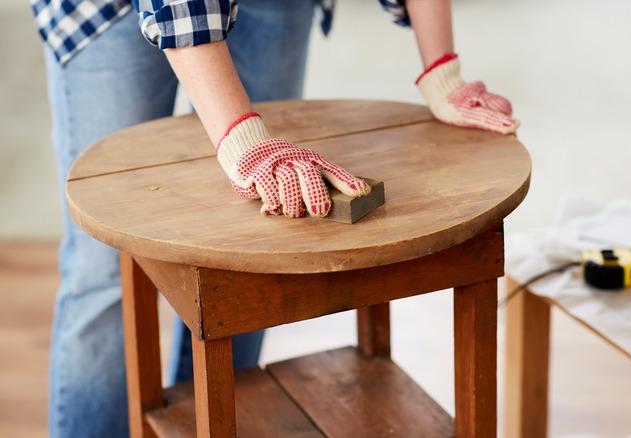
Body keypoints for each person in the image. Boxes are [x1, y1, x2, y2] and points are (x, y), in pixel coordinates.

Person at [29, 0, 520, 435]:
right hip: (104, 11)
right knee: (104, 268)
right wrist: (241, 136)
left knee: (249, 251)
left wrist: (440, 68)